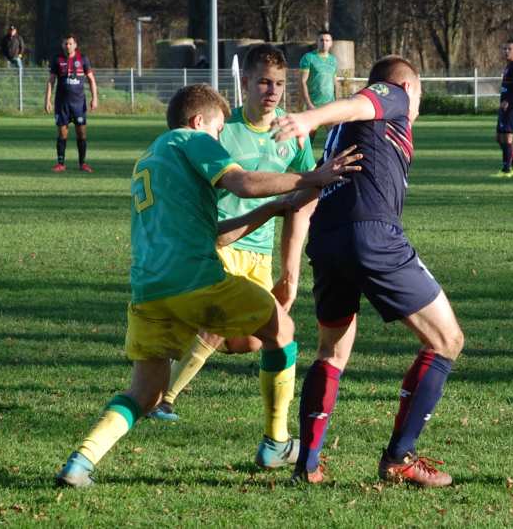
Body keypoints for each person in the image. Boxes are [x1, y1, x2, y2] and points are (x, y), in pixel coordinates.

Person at [53, 83, 360, 488]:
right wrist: (312, 176)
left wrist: (270, 210)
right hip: (197, 280)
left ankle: (80, 462)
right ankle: (276, 442)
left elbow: (213, 233)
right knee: (282, 330)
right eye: (218, 132)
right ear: (200, 122)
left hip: (149, 290)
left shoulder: (153, 155)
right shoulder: (192, 140)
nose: (220, 141)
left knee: (144, 393)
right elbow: (245, 183)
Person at [272, 55, 465, 487]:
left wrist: (291, 266)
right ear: (409, 89)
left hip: (328, 238)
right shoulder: (392, 95)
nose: (414, 110)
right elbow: (359, 101)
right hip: (371, 234)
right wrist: (307, 117)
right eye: (417, 99)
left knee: (332, 352)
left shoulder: (344, 135)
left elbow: (307, 194)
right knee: (447, 340)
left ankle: (308, 465)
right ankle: (399, 457)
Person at [146, 44, 317, 470]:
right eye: (263, 81)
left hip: (259, 255)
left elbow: (302, 204)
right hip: (219, 244)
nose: (272, 91)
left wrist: (291, 272)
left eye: (279, 83)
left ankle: (165, 369)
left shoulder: (294, 136)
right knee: (217, 327)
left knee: (254, 340)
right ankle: (162, 397)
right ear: (244, 83)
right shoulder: (223, 129)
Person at [44, 34, 97, 173]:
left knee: (82, 134)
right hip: (62, 104)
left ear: (75, 45)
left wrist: (94, 98)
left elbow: (91, 80)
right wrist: (47, 100)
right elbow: (51, 81)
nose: (68, 46)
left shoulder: (83, 59)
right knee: (62, 134)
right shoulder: (57, 59)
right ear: (63, 45)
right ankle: (61, 163)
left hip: (79, 104)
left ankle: (83, 163)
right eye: (65, 44)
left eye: (70, 43)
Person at [492, 40, 513, 178]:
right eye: (505, 49)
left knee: (506, 137)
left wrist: (508, 101)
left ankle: (506, 169)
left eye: (509, 49)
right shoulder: (508, 66)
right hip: (504, 106)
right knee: (499, 137)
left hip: (512, 107)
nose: (506, 51)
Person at [299, 30, 337, 142]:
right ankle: (303, 159)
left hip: (329, 105)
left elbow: (335, 82)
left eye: (327, 40)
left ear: (331, 43)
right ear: (317, 42)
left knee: (333, 137)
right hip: (313, 105)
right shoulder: (308, 58)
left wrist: (337, 101)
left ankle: (329, 159)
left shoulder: (333, 60)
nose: (324, 43)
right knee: (308, 139)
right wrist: (309, 103)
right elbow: (302, 82)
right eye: (321, 40)